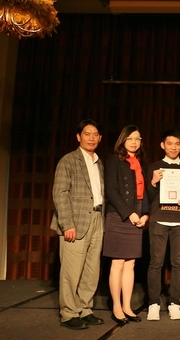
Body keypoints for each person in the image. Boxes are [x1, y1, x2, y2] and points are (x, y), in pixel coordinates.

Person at [51, 119, 105, 330]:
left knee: (91, 271)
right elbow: (60, 193)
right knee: (71, 271)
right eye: (87, 134)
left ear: (100, 138)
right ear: (78, 136)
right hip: (75, 221)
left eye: (95, 134)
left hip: (97, 219)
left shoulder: (99, 162)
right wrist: (67, 224)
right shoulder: (69, 160)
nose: (91, 138)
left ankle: (85, 309)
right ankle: (69, 313)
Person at [145, 129, 180, 321]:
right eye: (169, 143)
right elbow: (148, 197)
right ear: (162, 145)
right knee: (156, 263)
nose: (173, 147)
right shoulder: (154, 167)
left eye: (177, 144)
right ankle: (153, 303)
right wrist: (153, 182)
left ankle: (174, 302)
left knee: (178, 263)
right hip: (159, 219)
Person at [103, 125, 149, 325]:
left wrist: (145, 213)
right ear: (122, 140)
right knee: (118, 262)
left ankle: (127, 306)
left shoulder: (141, 162)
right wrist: (129, 213)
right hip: (118, 214)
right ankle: (116, 307)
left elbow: (144, 191)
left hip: (137, 212)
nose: (134, 142)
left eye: (137, 138)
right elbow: (111, 191)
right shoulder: (114, 160)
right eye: (130, 138)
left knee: (131, 263)